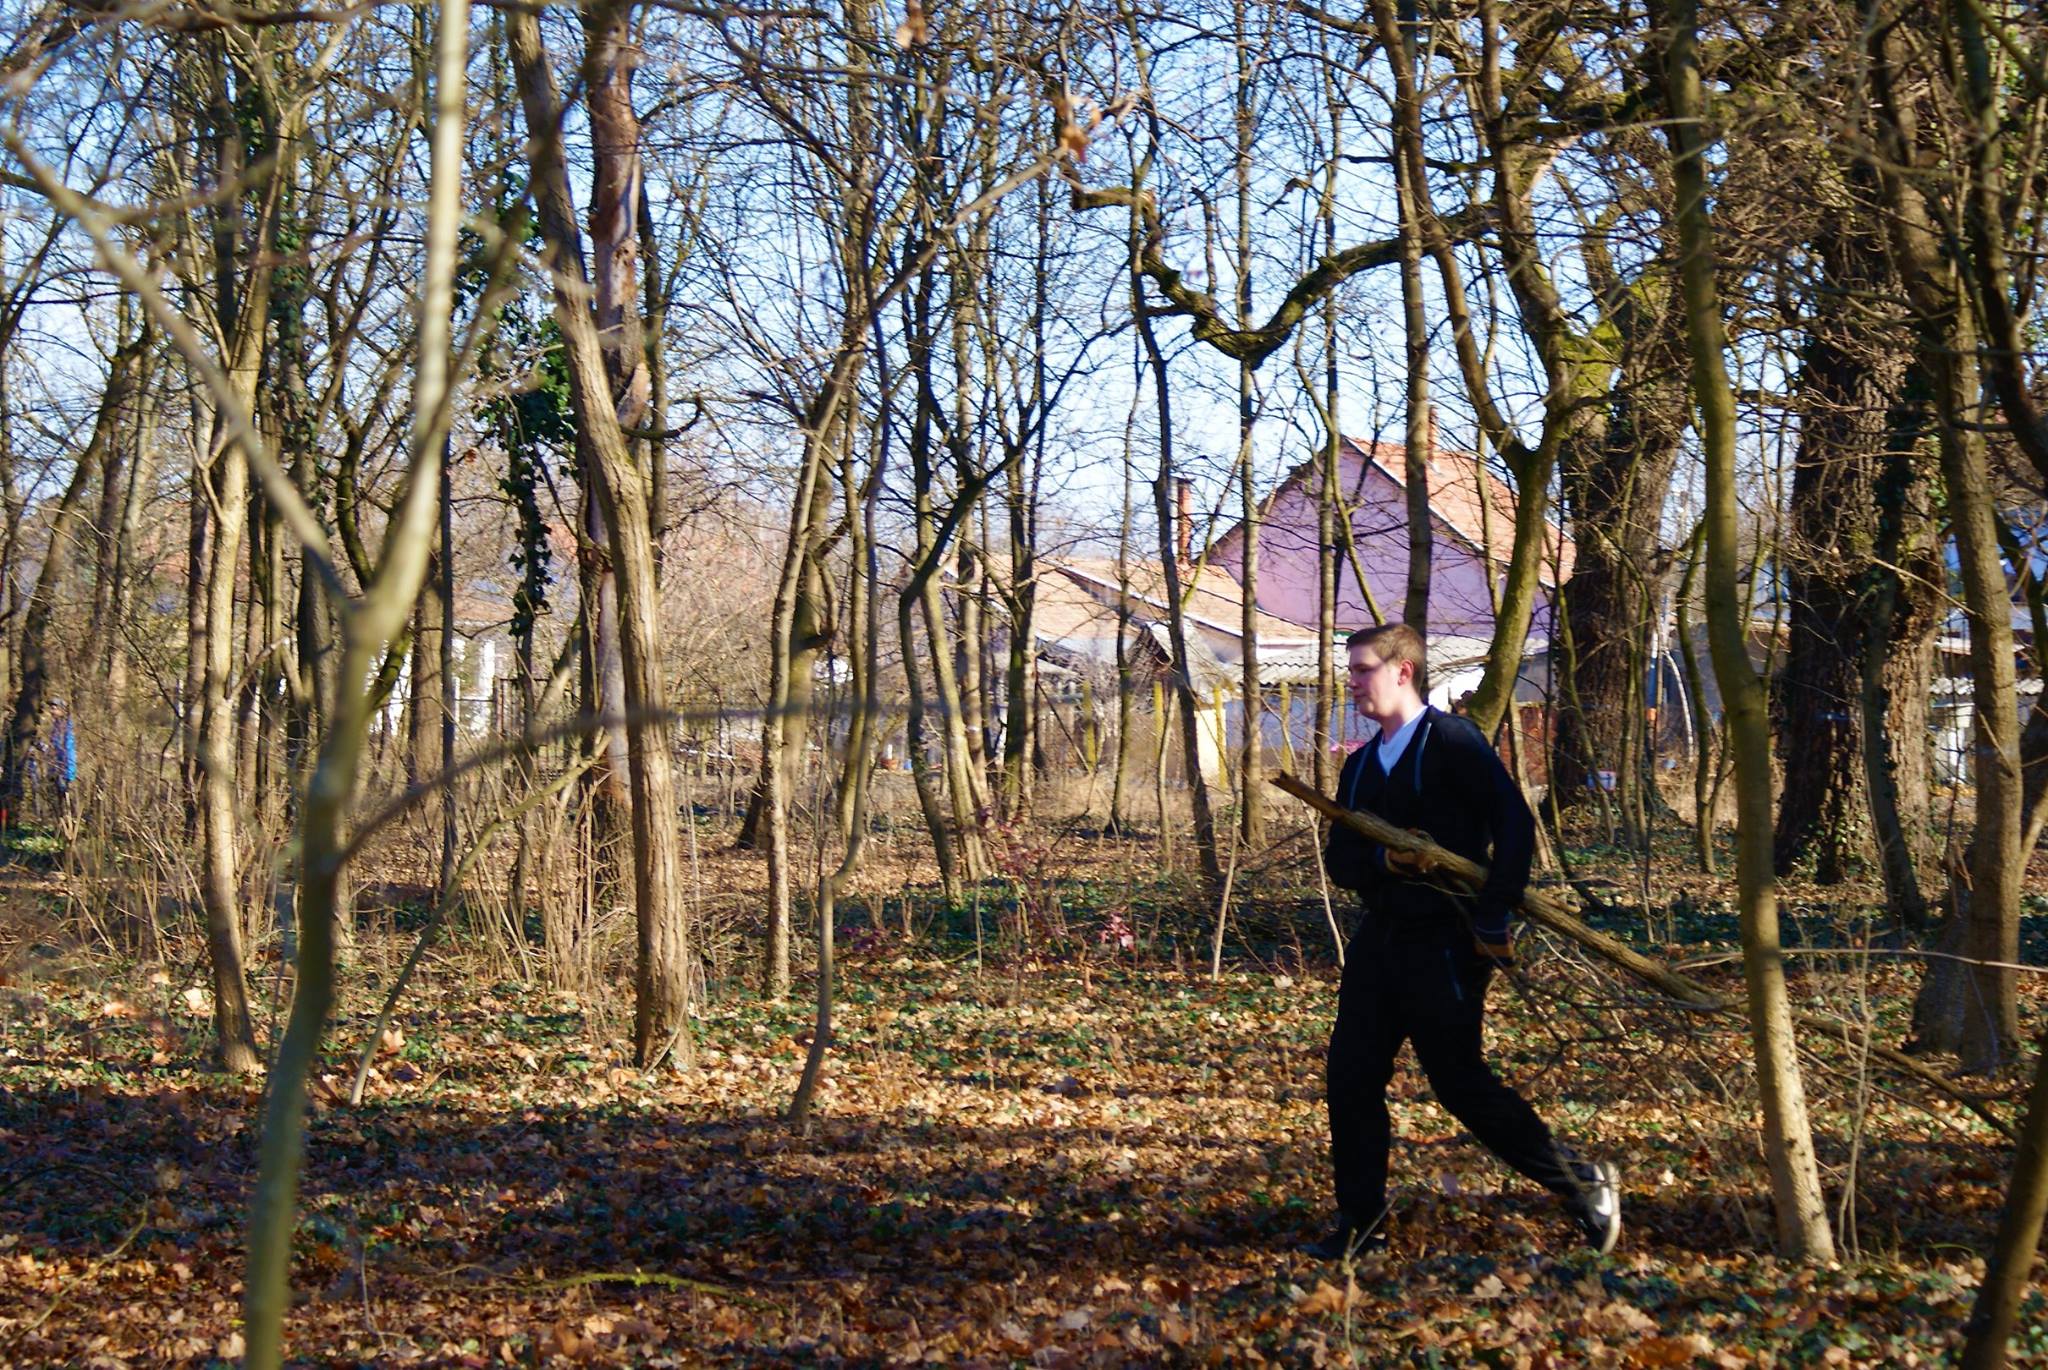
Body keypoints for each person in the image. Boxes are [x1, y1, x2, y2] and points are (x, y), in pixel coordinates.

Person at [1309, 622, 1620, 1260]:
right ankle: (1361, 1225)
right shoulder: (1361, 766)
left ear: (1403, 671)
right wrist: (1382, 862)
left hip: (1445, 941)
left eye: (1363, 669)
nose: (1352, 682)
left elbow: (1514, 824)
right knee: (1351, 1077)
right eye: (1351, 670)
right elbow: (1341, 859)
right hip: (1379, 941)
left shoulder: (1452, 741)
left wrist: (1492, 915)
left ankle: (1581, 1182)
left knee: (1459, 1083)